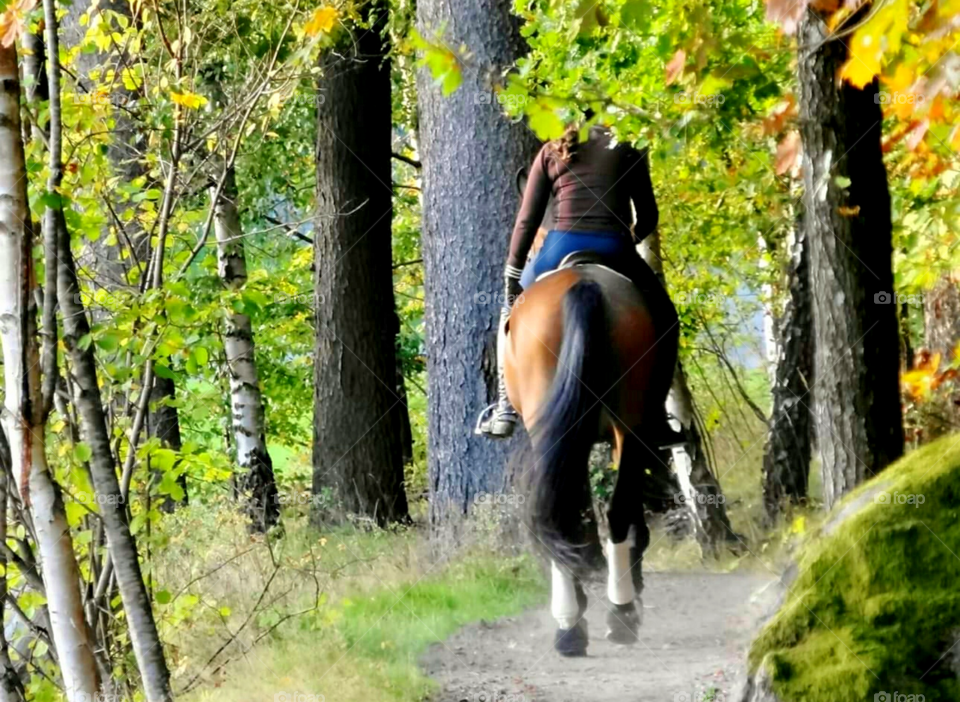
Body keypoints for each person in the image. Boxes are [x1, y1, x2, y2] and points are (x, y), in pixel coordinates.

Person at [476, 124, 685, 448]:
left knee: (511, 313)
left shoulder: (551, 150)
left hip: (559, 247)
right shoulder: (626, 145)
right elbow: (648, 215)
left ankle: (505, 408)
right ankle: (655, 417)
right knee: (666, 318)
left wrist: (512, 272)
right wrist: (628, 239)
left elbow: (527, 220)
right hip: (615, 248)